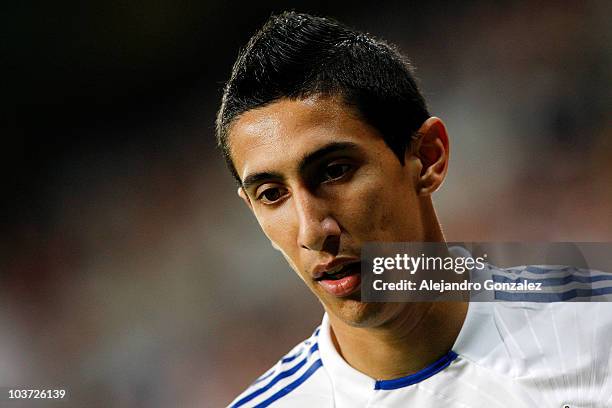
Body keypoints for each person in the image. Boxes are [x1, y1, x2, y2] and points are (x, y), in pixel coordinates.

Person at [216, 11, 612, 407]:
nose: (312, 231)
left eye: (335, 171)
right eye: (271, 194)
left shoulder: (598, 330)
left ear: (427, 157)